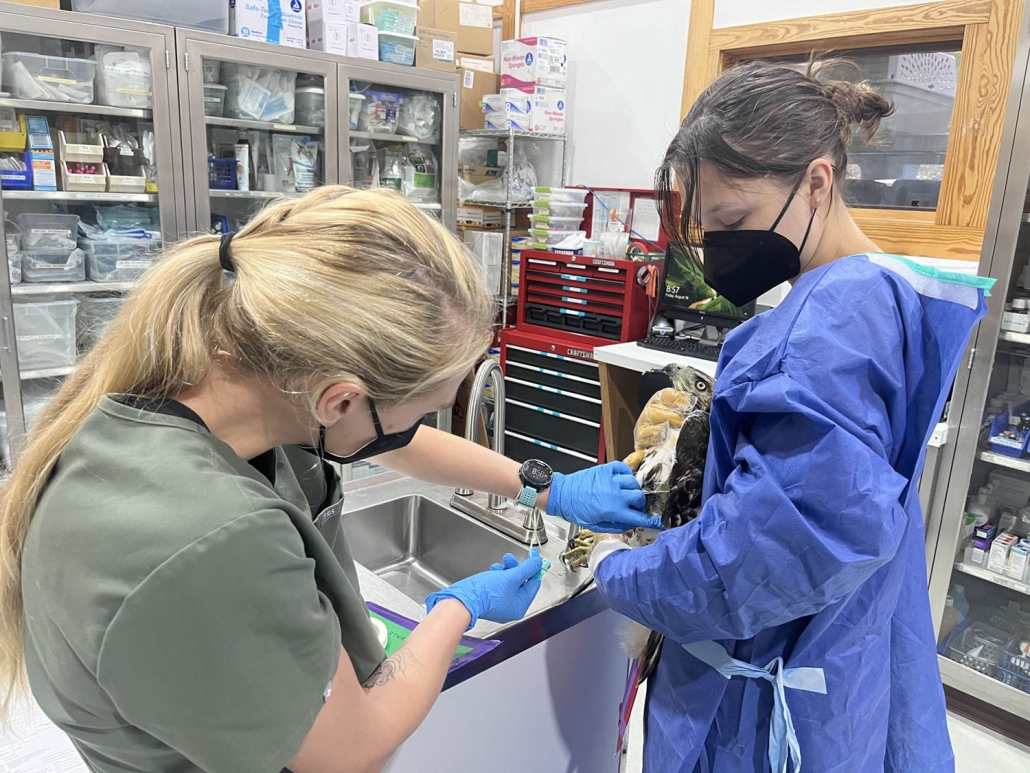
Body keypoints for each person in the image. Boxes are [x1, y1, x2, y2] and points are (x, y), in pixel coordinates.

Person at [0, 187, 656, 773]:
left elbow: (394, 441)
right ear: (338, 401)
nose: (422, 423)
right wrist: (460, 607)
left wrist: (545, 486)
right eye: (425, 404)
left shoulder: (222, 383)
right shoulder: (209, 538)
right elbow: (351, 747)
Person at [588, 61, 994, 772]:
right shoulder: (869, 293)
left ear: (816, 182)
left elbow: (748, 562)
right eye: (709, 228)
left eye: (734, 222)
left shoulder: (831, 329)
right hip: (832, 665)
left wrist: (620, 568)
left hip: (765, 705)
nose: (719, 252)